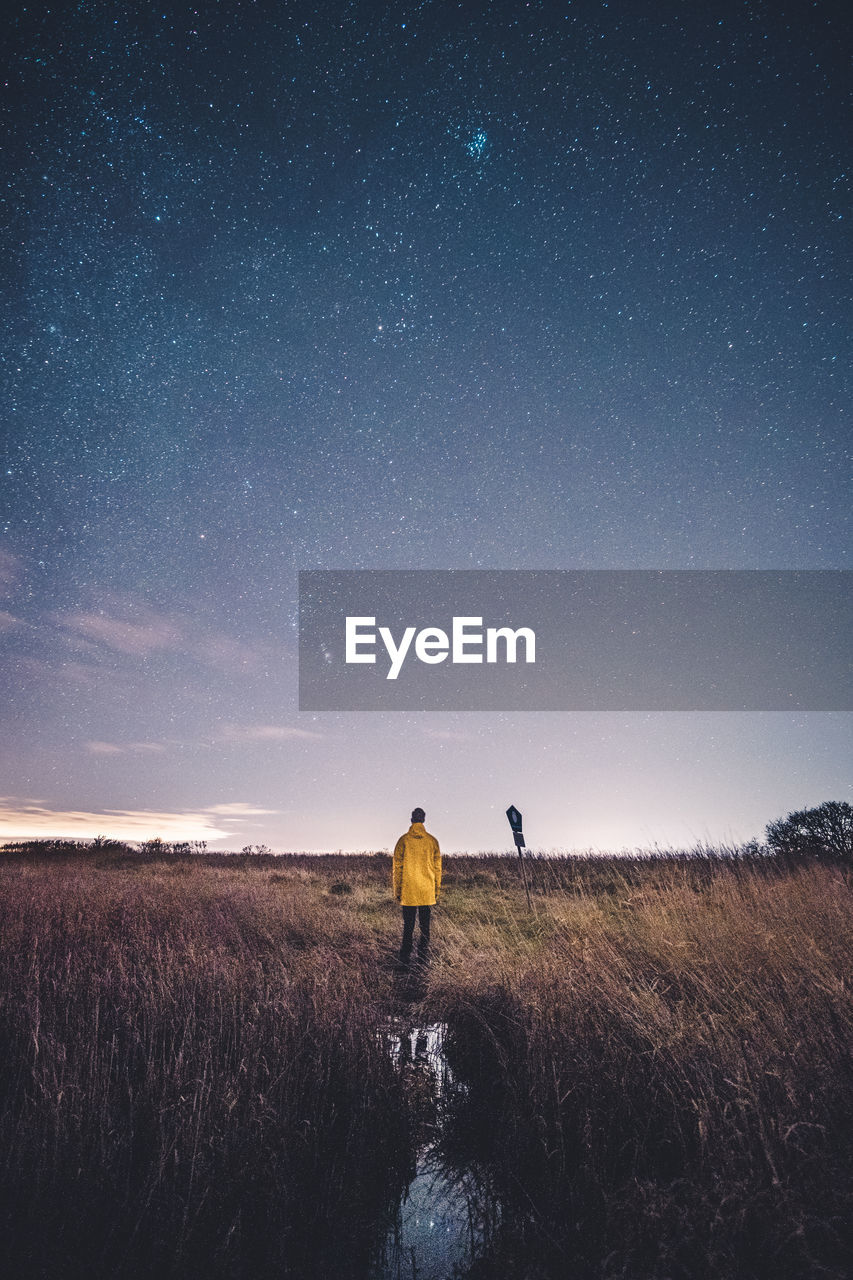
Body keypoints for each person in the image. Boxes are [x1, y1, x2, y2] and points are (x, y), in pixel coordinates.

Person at [393, 807, 442, 964]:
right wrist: (436, 889)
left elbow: (397, 868)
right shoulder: (432, 841)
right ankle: (423, 957)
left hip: (409, 890)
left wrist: (398, 890)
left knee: (408, 925)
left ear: (411, 819)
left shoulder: (403, 841)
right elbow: (437, 869)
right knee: (425, 926)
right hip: (427, 889)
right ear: (424, 820)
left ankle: (405, 958)